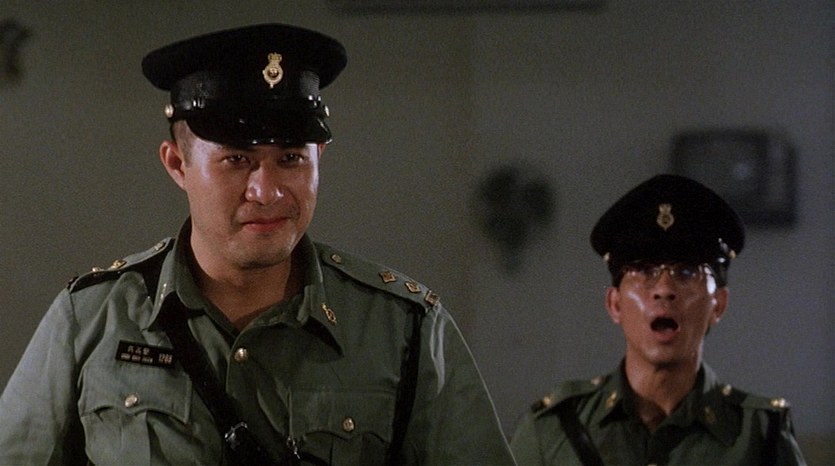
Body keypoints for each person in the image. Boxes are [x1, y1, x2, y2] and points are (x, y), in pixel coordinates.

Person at [0, 23, 516, 465]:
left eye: (291, 159)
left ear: (319, 160)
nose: (266, 191)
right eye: (237, 160)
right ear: (177, 165)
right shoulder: (92, 321)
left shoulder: (403, 329)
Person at [510, 174, 807, 465]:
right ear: (615, 304)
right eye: (644, 270)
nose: (664, 289)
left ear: (718, 304)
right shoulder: (554, 431)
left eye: (687, 272)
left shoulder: (760, 437)